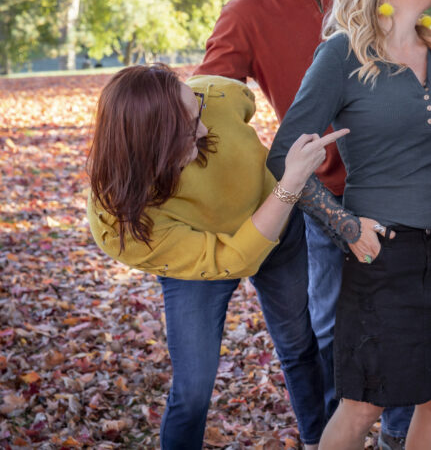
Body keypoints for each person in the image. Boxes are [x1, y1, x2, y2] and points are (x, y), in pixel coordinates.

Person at [195, 0, 413, 446]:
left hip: (400, 182)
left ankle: (397, 434)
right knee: (327, 328)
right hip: (325, 193)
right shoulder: (245, 13)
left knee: (401, 320)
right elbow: (208, 104)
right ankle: (332, 437)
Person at [267, 0, 431, 450]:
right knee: (364, 402)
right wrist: (346, 227)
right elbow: (285, 156)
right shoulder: (341, 55)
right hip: (380, 252)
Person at [86, 64, 356, 449]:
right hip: (202, 256)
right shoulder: (120, 223)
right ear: (151, 146)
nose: (203, 128)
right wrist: (291, 184)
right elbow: (234, 259)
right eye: (186, 127)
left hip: (278, 227)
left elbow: (242, 102)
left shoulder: (215, 95)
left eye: (197, 109)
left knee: (298, 345)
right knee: (193, 386)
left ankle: (317, 440)